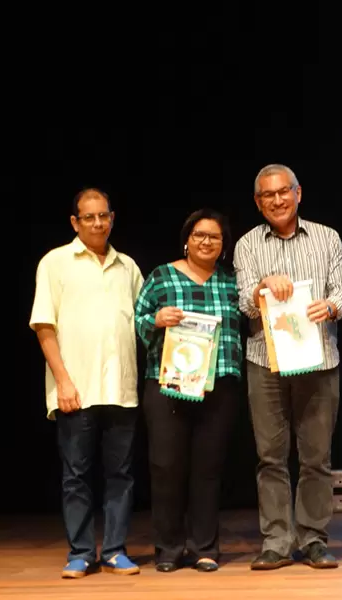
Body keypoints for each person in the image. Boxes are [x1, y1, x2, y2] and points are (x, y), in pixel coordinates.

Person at [233, 163, 342, 570]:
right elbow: (244, 303)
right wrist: (261, 288)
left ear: (298, 193)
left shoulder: (327, 237)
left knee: (317, 457)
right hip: (265, 362)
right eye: (268, 195)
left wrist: (331, 306)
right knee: (270, 457)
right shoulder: (247, 244)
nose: (278, 200)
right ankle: (277, 541)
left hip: (319, 359)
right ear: (258, 202)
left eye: (284, 191)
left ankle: (314, 538)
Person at [29, 188, 143, 578]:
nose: (97, 223)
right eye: (89, 217)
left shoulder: (127, 266)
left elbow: (143, 321)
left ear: (112, 218)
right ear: (75, 222)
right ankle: (80, 552)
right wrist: (62, 381)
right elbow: (44, 325)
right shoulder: (55, 262)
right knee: (76, 475)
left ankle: (114, 550)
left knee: (121, 474)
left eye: (103, 215)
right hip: (76, 388)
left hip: (121, 389)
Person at [134, 209, 243, 573]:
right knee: (166, 467)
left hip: (219, 384)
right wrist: (156, 319)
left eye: (214, 237)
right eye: (199, 235)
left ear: (224, 244)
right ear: (186, 239)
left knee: (208, 470)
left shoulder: (232, 281)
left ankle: (204, 548)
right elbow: (137, 320)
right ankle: (168, 548)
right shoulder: (162, 276)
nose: (206, 242)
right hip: (168, 385)